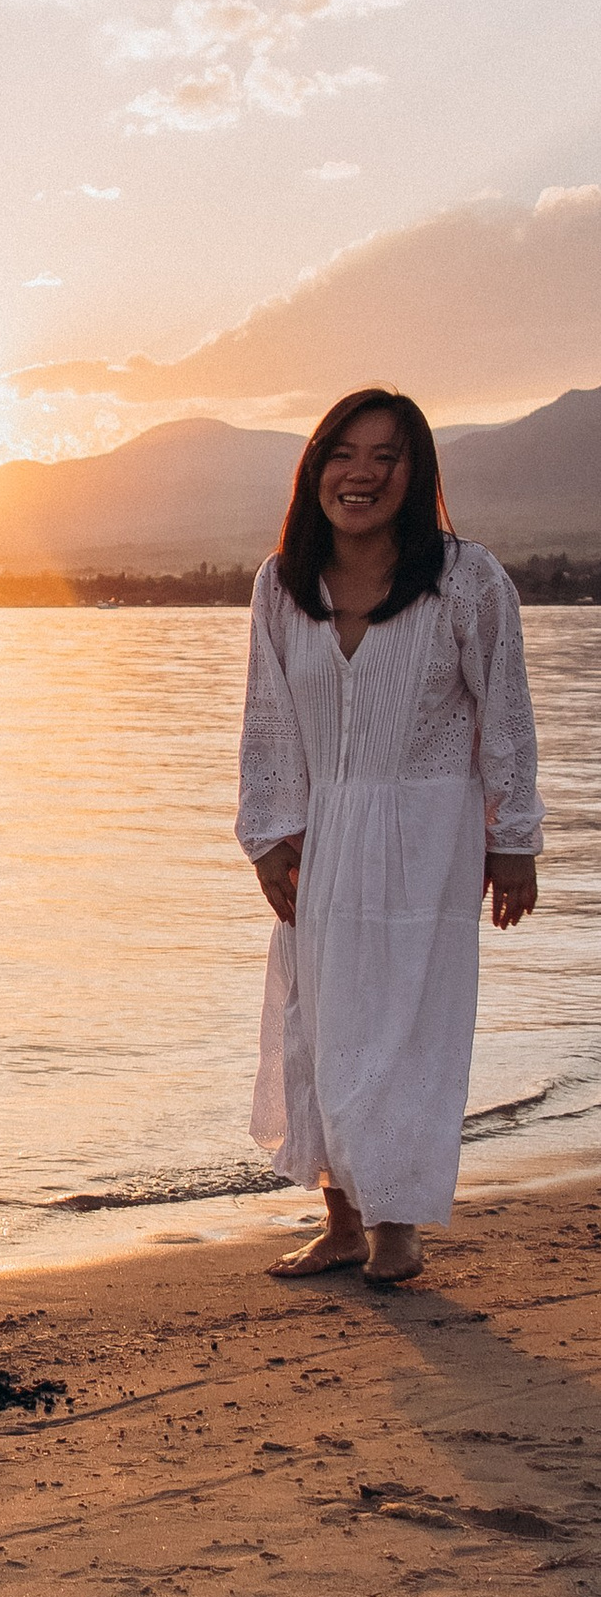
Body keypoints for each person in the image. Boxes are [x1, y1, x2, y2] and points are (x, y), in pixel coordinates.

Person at [237, 387, 543, 1290]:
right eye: (343, 453)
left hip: (429, 831)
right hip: (324, 826)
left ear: (417, 477)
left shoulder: (467, 579)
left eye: (387, 456)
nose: (362, 473)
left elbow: (507, 714)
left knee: (407, 1024)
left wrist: (514, 836)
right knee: (315, 1022)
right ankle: (341, 1222)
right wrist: (268, 833)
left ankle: (398, 1227)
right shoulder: (281, 584)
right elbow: (269, 722)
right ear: (315, 469)